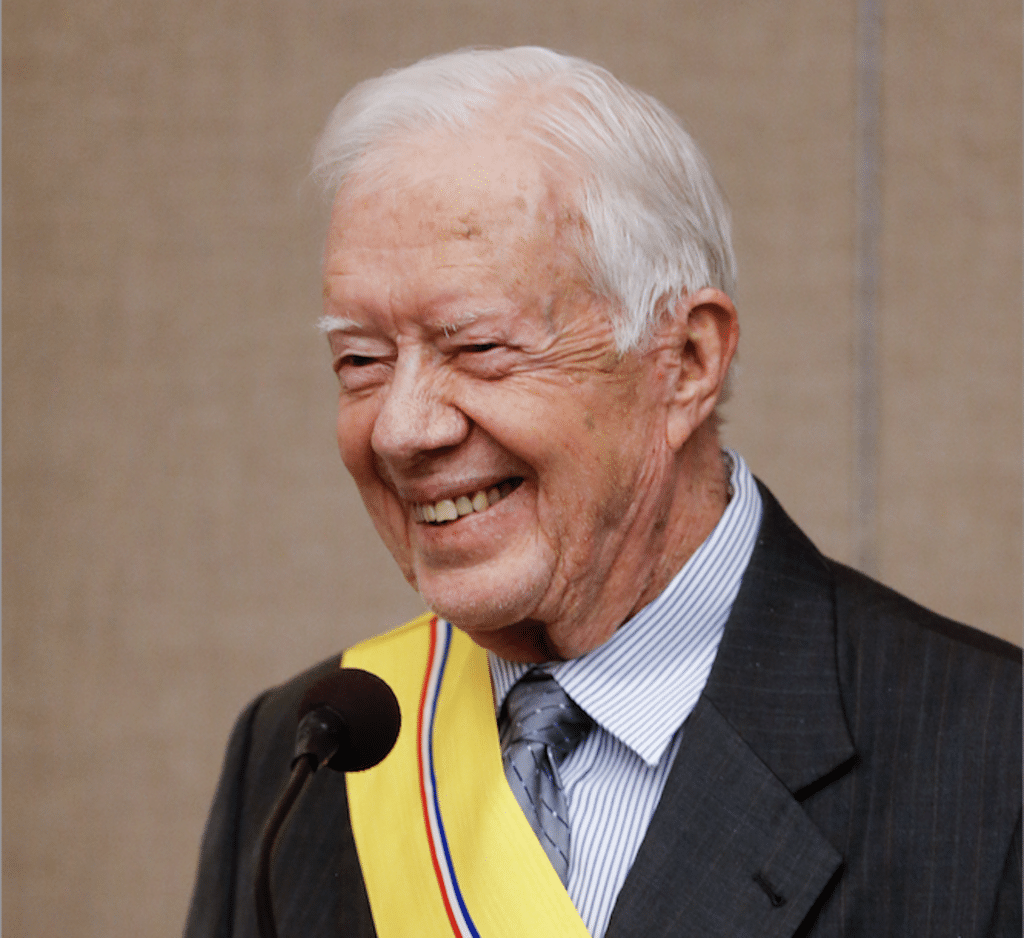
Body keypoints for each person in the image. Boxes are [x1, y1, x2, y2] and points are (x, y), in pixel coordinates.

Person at [184, 47, 1021, 938]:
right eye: (361, 362)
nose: (402, 429)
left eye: (477, 348)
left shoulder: (992, 764)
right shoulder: (300, 758)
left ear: (687, 362)